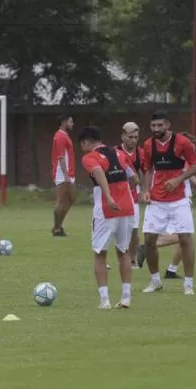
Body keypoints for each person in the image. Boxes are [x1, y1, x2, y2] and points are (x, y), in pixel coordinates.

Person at [140, 111, 196, 295]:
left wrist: (178, 180)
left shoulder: (183, 142)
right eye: (153, 126)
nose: (156, 129)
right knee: (149, 240)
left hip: (179, 200)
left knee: (185, 239)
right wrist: (145, 190)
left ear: (167, 124)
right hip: (157, 201)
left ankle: (188, 284)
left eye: (160, 125)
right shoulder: (148, 144)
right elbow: (148, 169)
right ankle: (155, 282)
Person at [80, 126, 137, 309]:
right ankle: (126, 297)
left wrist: (109, 196)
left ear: (86, 143)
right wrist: (121, 191)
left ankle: (105, 301)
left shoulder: (90, 157)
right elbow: (134, 178)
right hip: (127, 208)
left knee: (100, 254)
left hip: (106, 209)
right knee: (123, 252)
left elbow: (98, 172)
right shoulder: (119, 154)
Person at [152, 131, 196, 278]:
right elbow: (190, 176)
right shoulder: (179, 157)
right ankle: (148, 246)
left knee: (186, 237)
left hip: (179, 199)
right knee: (184, 236)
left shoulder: (175, 156)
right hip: (181, 201)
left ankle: (171, 270)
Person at [115, 122, 144, 268]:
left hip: (133, 197)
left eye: (136, 137)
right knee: (115, 229)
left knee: (133, 230)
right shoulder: (114, 152)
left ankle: (132, 260)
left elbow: (145, 173)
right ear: (123, 136)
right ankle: (109, 258)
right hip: (116, 197)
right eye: (130, 137)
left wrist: (144, 191)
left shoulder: (141, 153)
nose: (133, 140)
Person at [51, 112, 76, 236]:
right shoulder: (60, 136)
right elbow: (61, 157)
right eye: (70, 121)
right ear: (64, 122)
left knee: (71, 199)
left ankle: (58, 226)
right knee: (62, 201)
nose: (72, 124)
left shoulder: (65, 135)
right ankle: (57, 228)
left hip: (69, 173)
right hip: (62, 174)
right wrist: (66, 175)